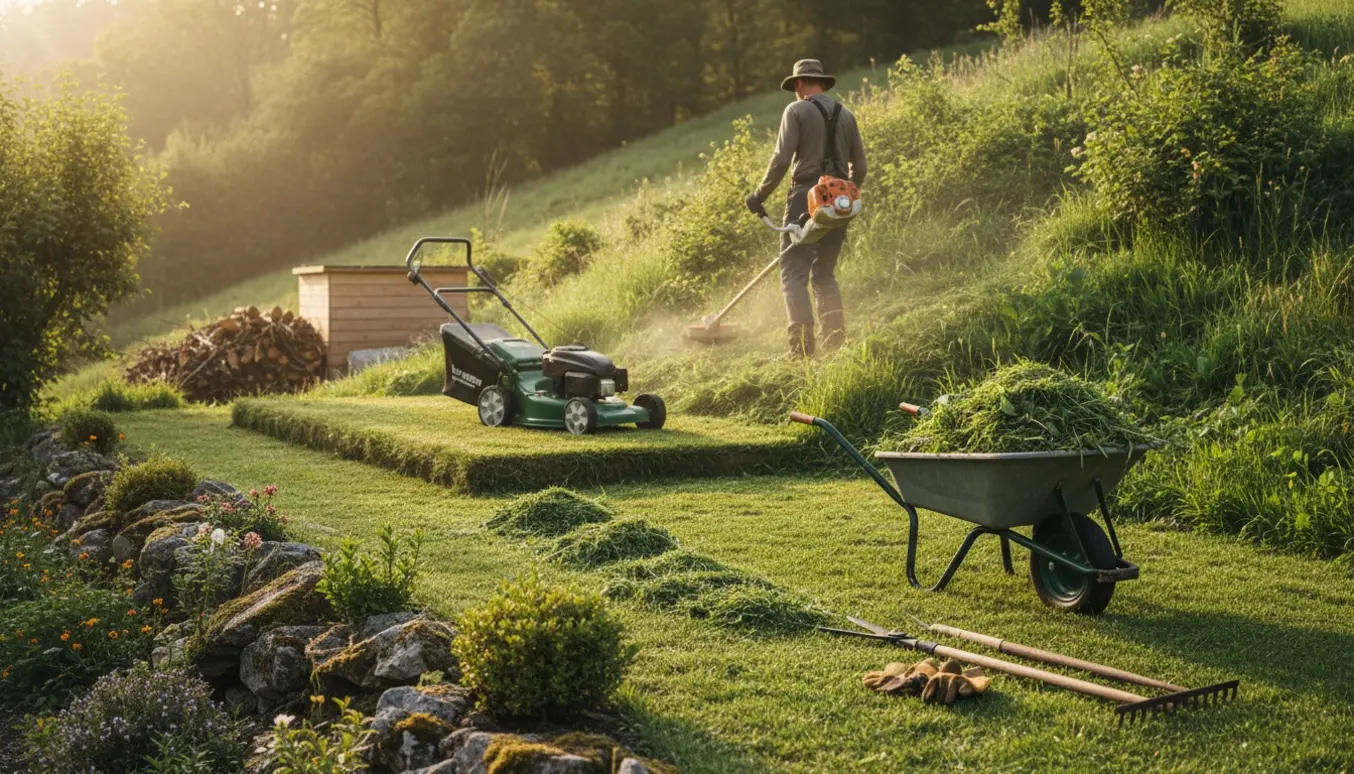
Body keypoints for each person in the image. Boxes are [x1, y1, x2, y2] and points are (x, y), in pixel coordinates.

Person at [746, 58, 867, 357]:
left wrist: (759, 195)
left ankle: (800, 349)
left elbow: (781, 159)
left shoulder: (796, 110)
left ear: (799, 83)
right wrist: (845, 194)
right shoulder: (847, 115)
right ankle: (835, 342)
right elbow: (860, 167)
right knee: (824, 273)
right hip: (840, 202)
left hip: (806, 197)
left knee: (793, 272)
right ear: (822, 82)